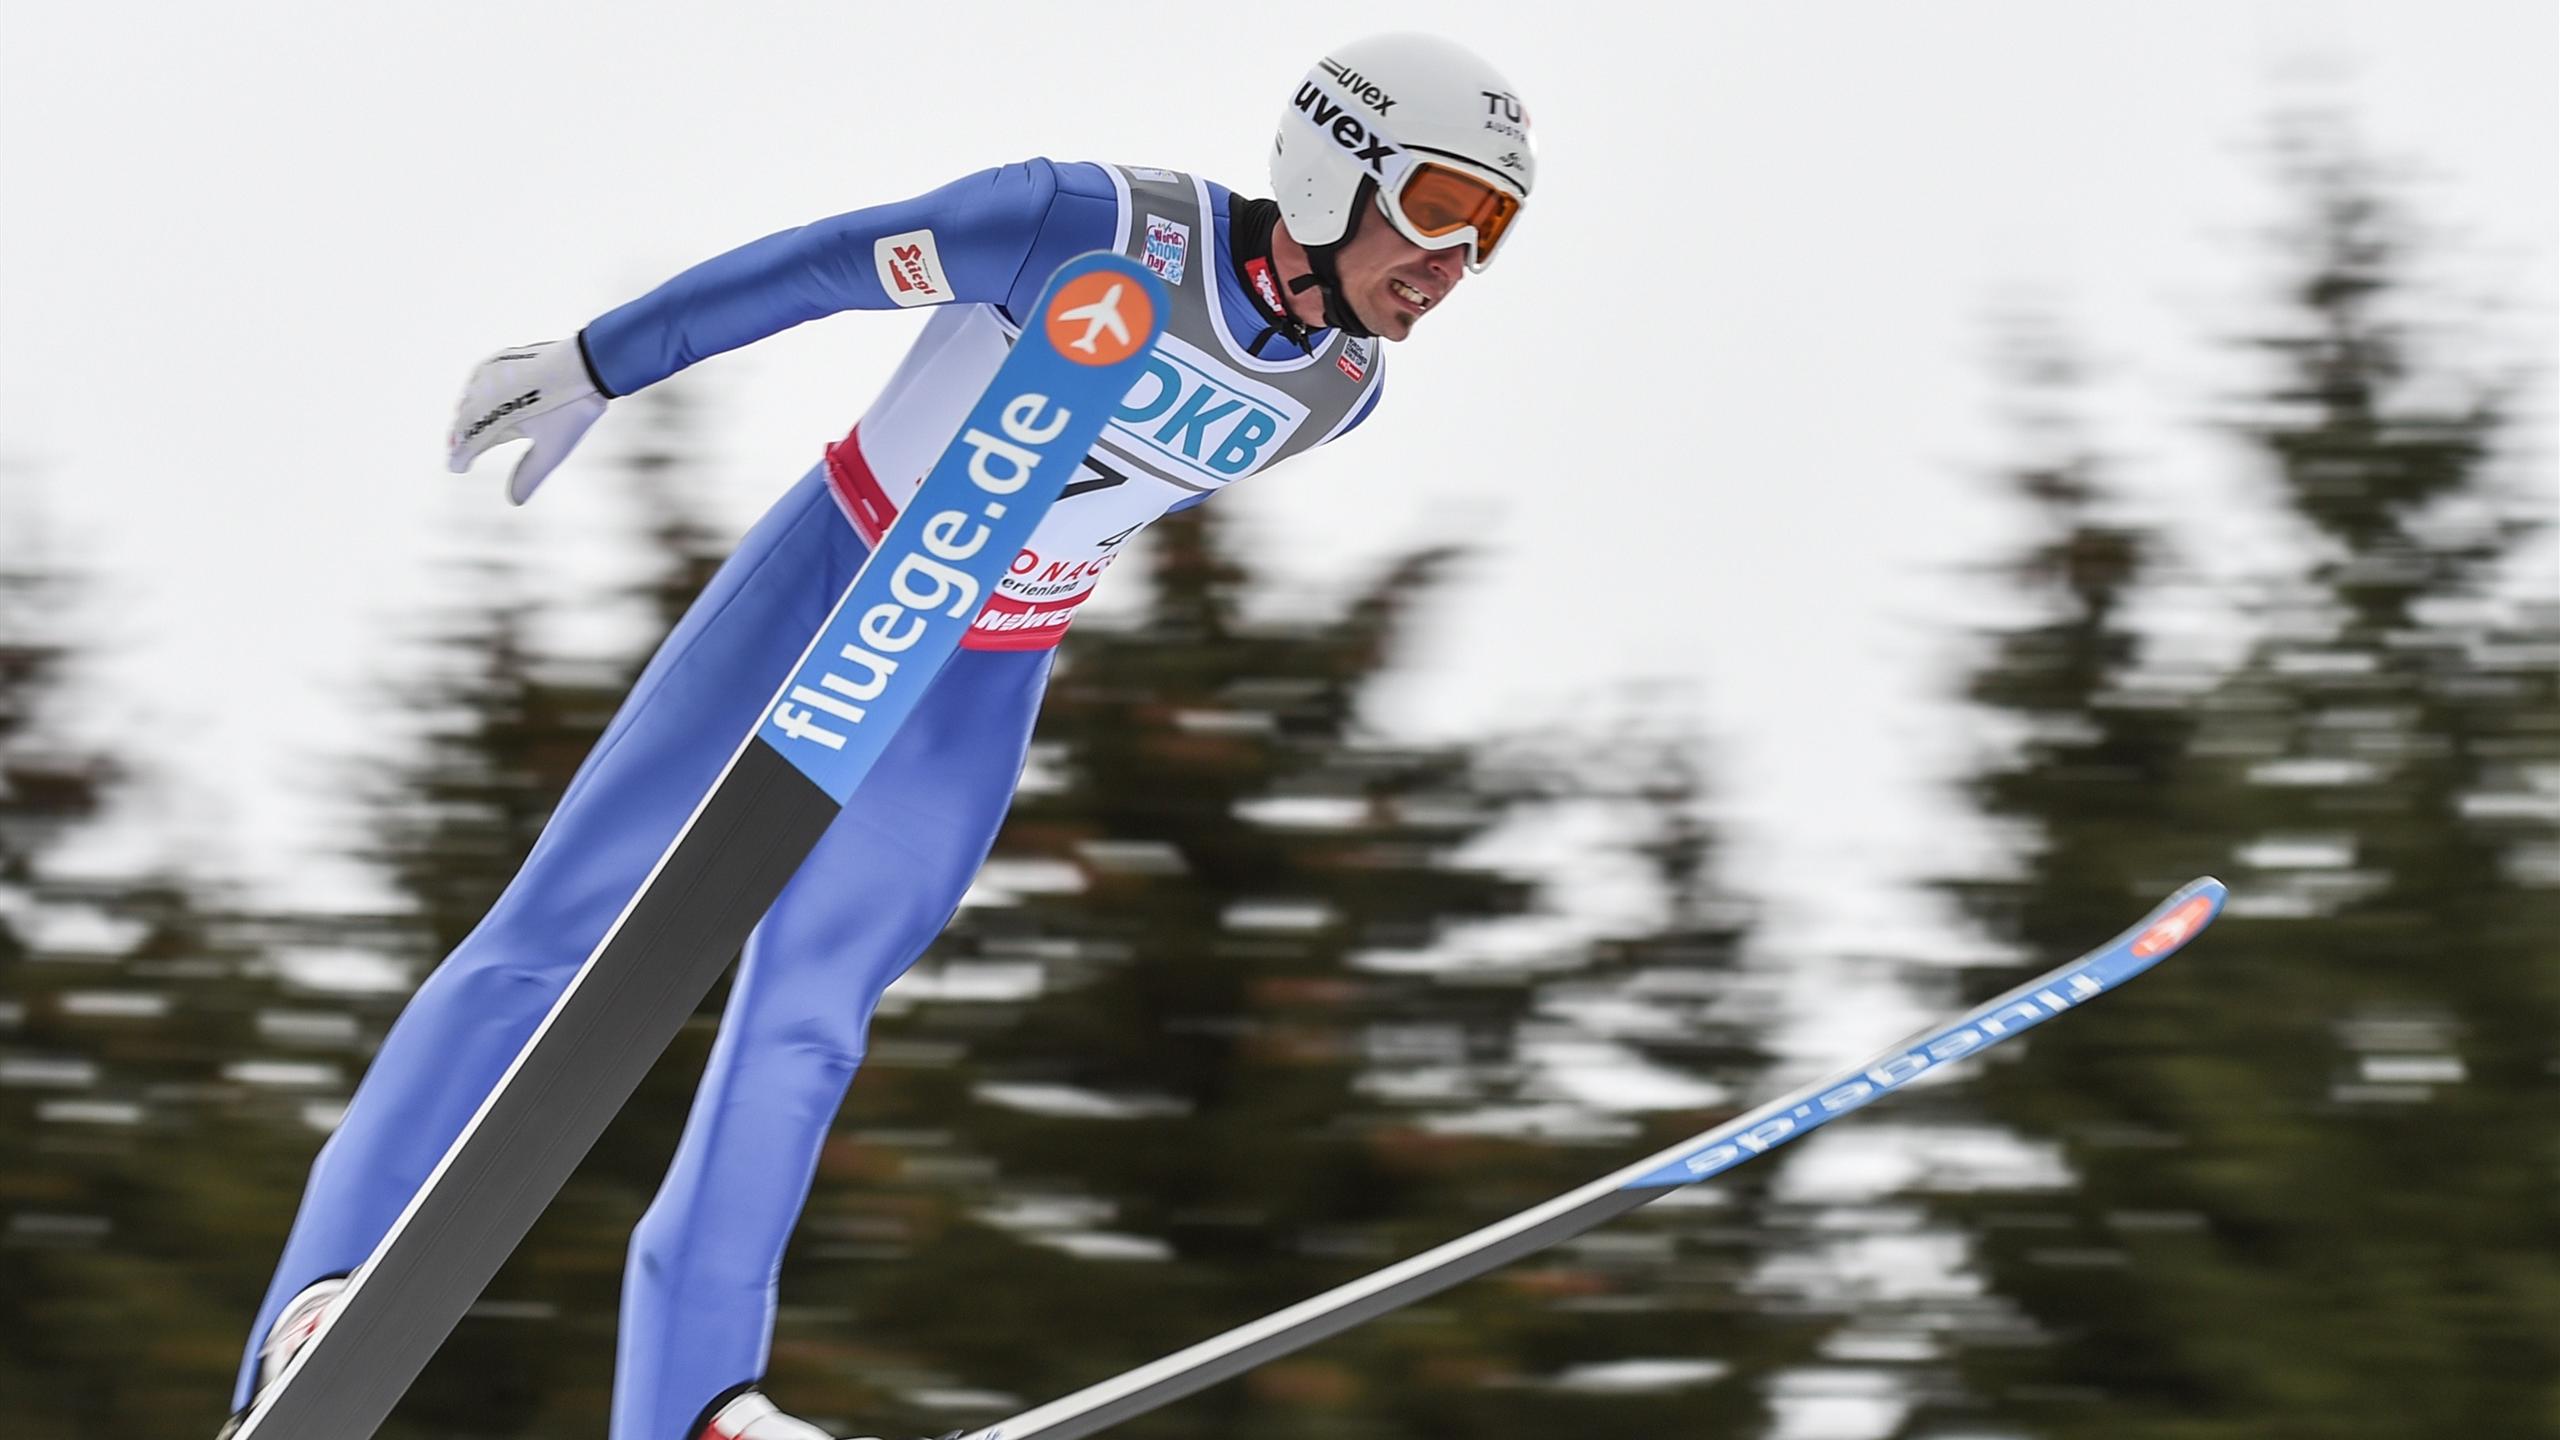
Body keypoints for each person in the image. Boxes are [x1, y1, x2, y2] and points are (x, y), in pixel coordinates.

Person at [221, 31, 1536, 1440]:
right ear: (1338, 167)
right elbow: (823, 263)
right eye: (1443, 208)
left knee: (809, 1023)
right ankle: (326, 1298)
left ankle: (695, 1406)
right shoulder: (1089, 222)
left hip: (982, 675)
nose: (1455, 264)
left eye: (1492, 234)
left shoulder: (1338, 391)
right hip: (836, 568)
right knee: (560, 930)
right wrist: (601, 362)